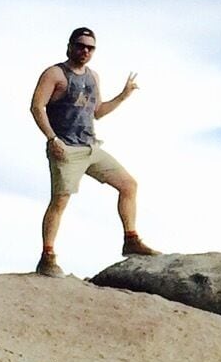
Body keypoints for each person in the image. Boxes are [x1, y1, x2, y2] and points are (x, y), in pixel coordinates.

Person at [30, 26, 157, 275]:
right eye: (80, 45)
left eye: (90, 47)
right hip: (66, 148)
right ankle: (47, 257)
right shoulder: (55, 74)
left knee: (129, 185)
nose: (85, 51)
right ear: (70, 46)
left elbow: (96, 112)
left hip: (90, 146)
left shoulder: (92, 77)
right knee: (60, 201)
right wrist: (52, 139)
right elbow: (37, 106)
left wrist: (123, 96)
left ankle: (131, 240)